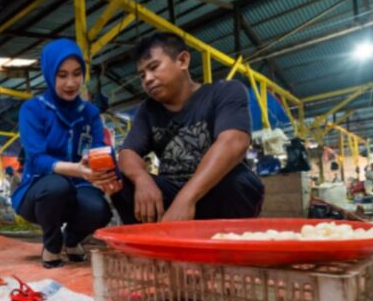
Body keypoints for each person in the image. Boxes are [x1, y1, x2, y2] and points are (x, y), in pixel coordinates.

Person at [111, 32, 264, 224]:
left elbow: (234, 141)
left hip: (215, 193)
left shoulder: (225, 91)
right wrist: (142, 178)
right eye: (142, 75)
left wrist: (186, 198)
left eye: (154, 67)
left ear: (183, 60)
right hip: (171, 194)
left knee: (236, 180)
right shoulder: (148, 110)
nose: (147, 79)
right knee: (121, 183)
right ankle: (150, 248)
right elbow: (128, 153)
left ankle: (225, 247)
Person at [11, 38, 114, 268]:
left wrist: (107, 170)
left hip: (79, 188)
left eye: (77, 74)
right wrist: (76, 169)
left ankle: (72, 239)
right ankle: (51, 243)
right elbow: (37, 159)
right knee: (57, 186)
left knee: (100, 209)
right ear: (49, 74)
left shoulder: (90, 113)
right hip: (38, 192)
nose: (71, 82)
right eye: (62, 75)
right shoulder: (33, 109)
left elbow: (98, 148)